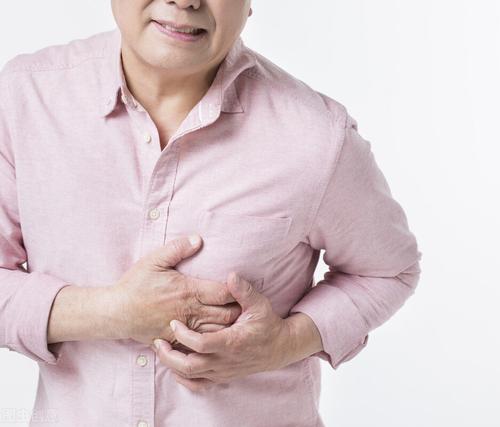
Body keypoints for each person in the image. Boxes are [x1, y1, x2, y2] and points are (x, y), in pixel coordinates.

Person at [0, 0, 422, 425]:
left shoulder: (317, 136)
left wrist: (286, 342)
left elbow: (389, 271)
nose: (185, 1)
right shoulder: (25, 99)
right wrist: (114, 312)